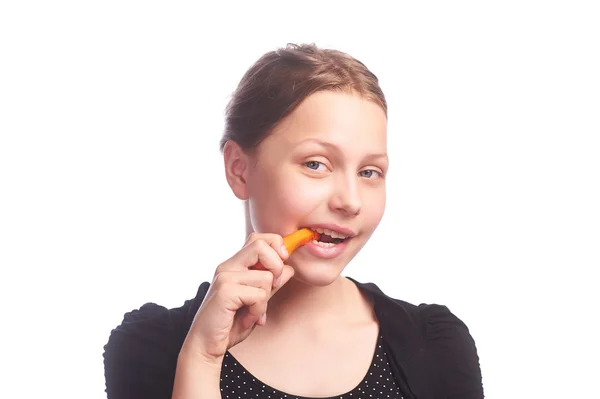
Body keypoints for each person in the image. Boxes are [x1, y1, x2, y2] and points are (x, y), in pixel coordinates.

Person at [103, 43, 484, 399]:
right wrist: (202, 358)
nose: (350, 201)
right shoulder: (153, 345)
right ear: (239, 170)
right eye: (316, 164)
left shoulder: (437, 344)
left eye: (370, 172)